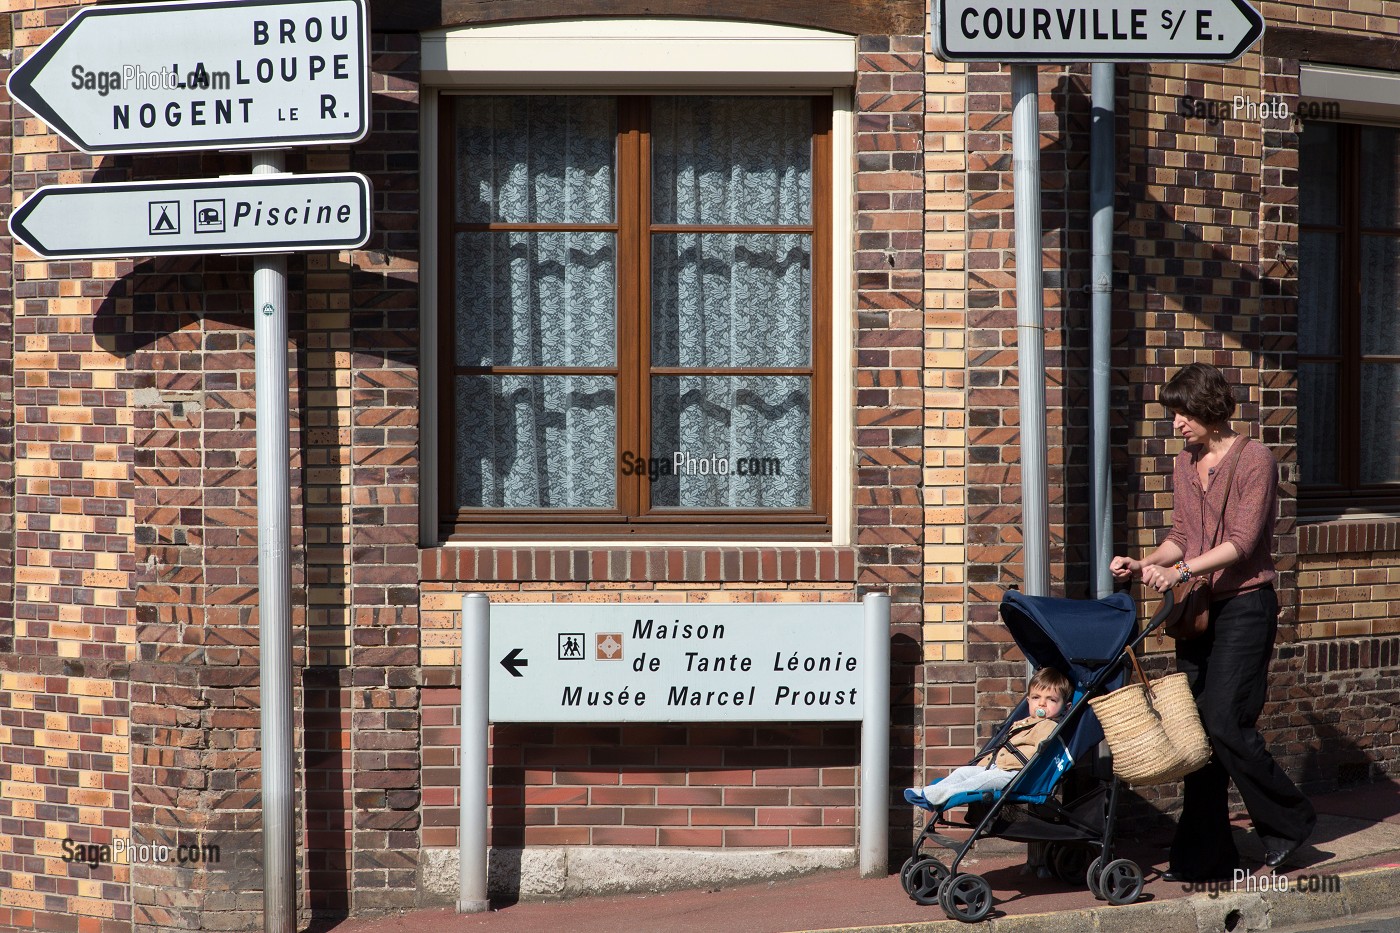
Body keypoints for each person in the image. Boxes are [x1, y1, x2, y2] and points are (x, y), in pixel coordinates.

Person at [1110, 362, 1315, 882]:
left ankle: (1289, 821)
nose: (1176, 425)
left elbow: (1241, 544)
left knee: (1226, 720)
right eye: (1173, 415)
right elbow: (1184, 532)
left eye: (1182, 414)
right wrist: (1148, 564)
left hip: (1246, 606)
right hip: (1198, 612)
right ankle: (1204, 854)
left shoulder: (1255, 460)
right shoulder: (1185, 463)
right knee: (1196, 732)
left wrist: (1178, 569)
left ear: (1208, 410)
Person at [905, 667, 1071, 810]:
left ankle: (934, 796)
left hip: (1016, 775)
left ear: (1066, 707)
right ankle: (933, 791)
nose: (1042, 704)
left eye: (1051, 700)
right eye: (1036, 698)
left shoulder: (1050, 727)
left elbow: (1044, 753)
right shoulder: (1024, 722)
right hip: (997, 767)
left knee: (978, 781)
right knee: (964, 772)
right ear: (1028, 701)